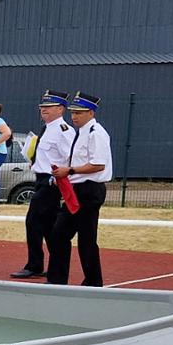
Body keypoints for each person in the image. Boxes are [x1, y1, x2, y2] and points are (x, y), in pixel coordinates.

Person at [46, 92, 113, 287]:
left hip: (89, 190)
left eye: (80, 112)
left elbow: (98, 164)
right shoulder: (82, 132)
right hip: (77, 188)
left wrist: (70, 170)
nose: (74, 116)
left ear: (91, 113)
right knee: (59, 234)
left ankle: (92, 282)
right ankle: (57, 280)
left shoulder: (96, 133)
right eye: (73, 112)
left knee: (85, 239)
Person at [11, 91, 77, 279]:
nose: (43, 110)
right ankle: (54, 265)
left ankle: (34, 265)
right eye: (42, 107)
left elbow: (69, 158)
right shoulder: (48, 128)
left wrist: (58, 179)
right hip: (41, 179)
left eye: (48, 107)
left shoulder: (64, 130)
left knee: (33, 222)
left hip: (51, 182)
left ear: (60, 109)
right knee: (49, 227)